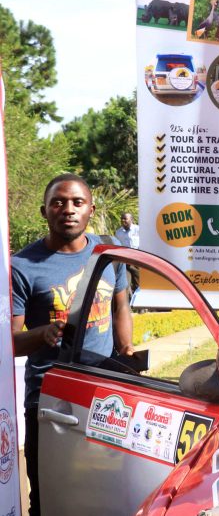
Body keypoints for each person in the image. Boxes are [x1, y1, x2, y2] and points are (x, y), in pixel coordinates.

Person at [11, 174, 132, 516]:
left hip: (105, 395)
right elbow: (10, 343)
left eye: (77, 202)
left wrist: (126, 347)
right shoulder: (21, 267)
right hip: (50, 400)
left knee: (104, 489)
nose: (68, 209)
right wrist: (41, 334)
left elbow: (121, 304)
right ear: (44, 211)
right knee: (48, 494)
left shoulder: (109, 253)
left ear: (90, 210)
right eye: (58, 202)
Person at [115, 211, 142, 292]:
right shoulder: (118, 232)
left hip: (137, 260)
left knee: (138, 282)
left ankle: (138, 301)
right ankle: (128, 301)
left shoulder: (138, 230)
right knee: (125, 283)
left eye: (125, 219)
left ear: (131, 220)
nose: (123, 221)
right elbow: (118, 246)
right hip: (124, 260)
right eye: (122, 219)